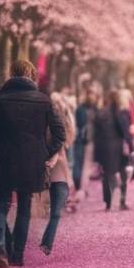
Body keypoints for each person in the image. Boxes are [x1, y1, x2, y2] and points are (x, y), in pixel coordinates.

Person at [0, 60, 66, 268]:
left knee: (2, 202)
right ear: (31, 75)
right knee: (24, 207)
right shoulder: (43, 100)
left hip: (7, 158)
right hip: (33, 160)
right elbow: (60, 133)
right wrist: (45, 152)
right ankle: (18, 255)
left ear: (11, 73)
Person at [41, 93, 75, 256]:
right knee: (54, 212)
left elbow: (63, 149)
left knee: (55, 212)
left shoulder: (57, 130)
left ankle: (47, 243)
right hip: (52, 174)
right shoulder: (46, 130)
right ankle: (46, 243)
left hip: (56, 174)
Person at [92, 90, 132, 211]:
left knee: (107, 175)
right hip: (119, 147)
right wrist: (131, 147)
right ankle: (122, 201)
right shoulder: (122, 113)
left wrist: (96, 155)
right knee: (123, 174)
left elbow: (96, 135)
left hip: (105, 147)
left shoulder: (100, 113)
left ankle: (108, 202)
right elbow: (126, 133)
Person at [72, 90, 97, 192]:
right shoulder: (82, 109)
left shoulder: (93, 109)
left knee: (85, 164)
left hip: (89, 139)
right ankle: (79, 184)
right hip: (82, 139)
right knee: (79, 162)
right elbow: (78, 124)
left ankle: (82, 185)